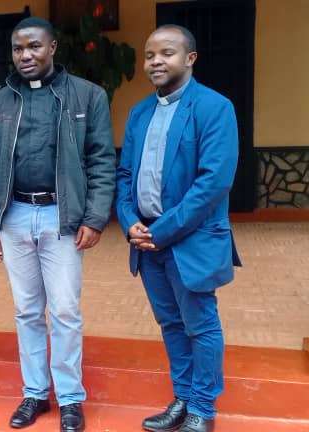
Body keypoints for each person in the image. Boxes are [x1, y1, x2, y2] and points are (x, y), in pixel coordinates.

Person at [0, 16, 116, 432]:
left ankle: (71, 398)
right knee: (26, 310)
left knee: (65, 310)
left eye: (34, 46)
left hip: (62, 217)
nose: (25, 55)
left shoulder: (87, 95)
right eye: (18, 48)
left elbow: (102, 160)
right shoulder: (0, 103)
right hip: (15, 217)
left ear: (53, 47)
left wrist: (95, 217)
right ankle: (35, 393)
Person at [115, 25, 241, 432]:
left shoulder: (214, 107)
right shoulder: (139, 113)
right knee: (170, 324)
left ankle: (202, 408)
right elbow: (125, 175)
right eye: (150, 55)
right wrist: (129, 222)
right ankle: (183, 397)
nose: (155, 61)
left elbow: (213, 183)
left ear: (190, 58)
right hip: (147, 241)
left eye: (166, 53)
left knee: (200, 325)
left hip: (190, 240)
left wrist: (161, 230)